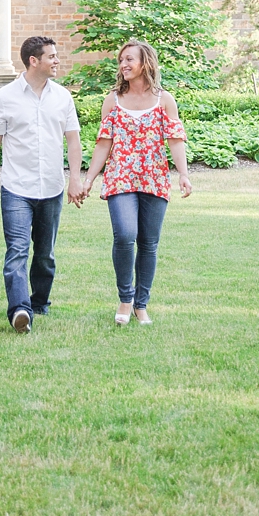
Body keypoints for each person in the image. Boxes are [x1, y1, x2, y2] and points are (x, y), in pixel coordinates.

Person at [74, 40, 192, 325]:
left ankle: (142, 305)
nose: (123, 65)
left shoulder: (164, 99)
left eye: (129, 59)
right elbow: (104, 144)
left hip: (154, 178)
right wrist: (88, 178)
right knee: (125, 236)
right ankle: (125, 299)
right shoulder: (112, 100)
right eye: (121, 60)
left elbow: (175, 140)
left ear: (145, 64)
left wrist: (184, 174)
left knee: (149, 243)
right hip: (120, 178)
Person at [0, 36, 83, 333]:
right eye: (51, 56)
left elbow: (73, 141)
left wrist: (74, 179)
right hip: (16, 189)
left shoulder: (62, 97)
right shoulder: (4, 97)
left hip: (51, 188)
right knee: (17, 250)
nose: (57, 61)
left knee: (45, 254)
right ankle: (20, 310)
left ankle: (39, 302)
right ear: (33, 61)